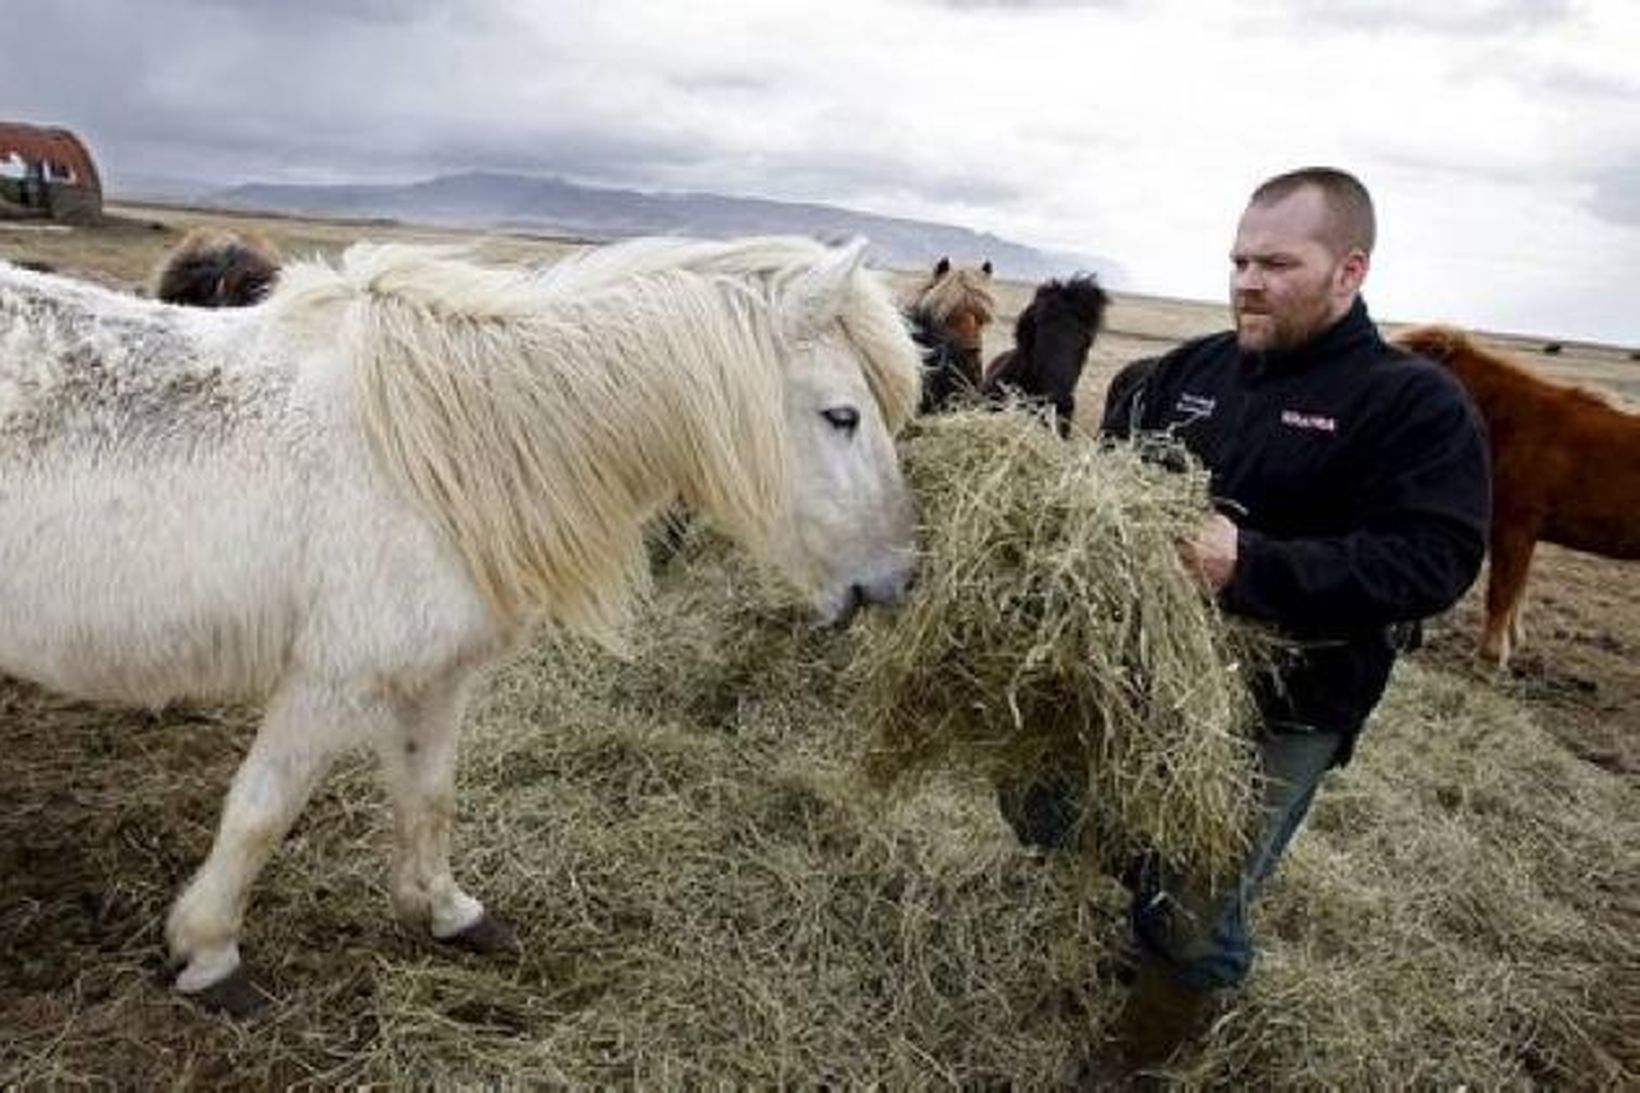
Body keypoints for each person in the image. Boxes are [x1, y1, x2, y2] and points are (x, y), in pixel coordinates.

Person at [1009, 167, 1492, 1070]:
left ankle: (1150, 1043)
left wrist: (1253, 565)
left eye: (1277, 262)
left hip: (1294, 698)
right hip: (1150, 669)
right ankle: (1150, 883)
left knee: (1189, 916)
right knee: (1038, 795)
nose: (1245, 281)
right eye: (1238, 259)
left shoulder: (1413, 404)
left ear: (1349, 272)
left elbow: (1435, 561)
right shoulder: (1187, 372)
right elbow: (1107, 491)